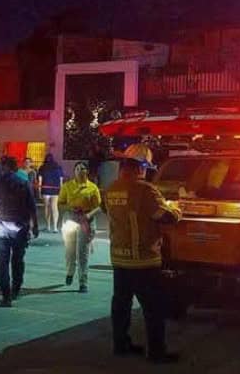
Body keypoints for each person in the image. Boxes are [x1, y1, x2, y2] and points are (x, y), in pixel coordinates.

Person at [104, 154, 182, 363]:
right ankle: (156, 352)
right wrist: (175, 207)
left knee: (121, 305)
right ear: (140, 170)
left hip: (119, 257)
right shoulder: (145, 190)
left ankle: (120, 344)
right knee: (153, 308)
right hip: (143, 258)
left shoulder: (111, 189)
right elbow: (166, 217)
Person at [0, 156, 39, 307]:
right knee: (18, 260)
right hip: (20, 227)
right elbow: (32, 207)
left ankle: (6, 295)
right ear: (15, 168)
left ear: (3, 167)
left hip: (0, 227)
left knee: (2, 262)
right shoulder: (24, 183)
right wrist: (35, 226)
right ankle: (16, 289)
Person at [58, 162, 103, 292]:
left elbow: (99, 207)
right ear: (74, 171)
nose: (79, 170)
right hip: (70, 220)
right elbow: (60, 204)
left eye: (82, 168)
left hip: (86, 221)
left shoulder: (93, 188)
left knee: (83, 253)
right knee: (70, 251)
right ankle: (70, 272)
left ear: (87, 171)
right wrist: (70, 207)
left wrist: (88, 215)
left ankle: (83, 281)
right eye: (77, 168)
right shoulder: (67, 186)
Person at [39, 154, 64, 233]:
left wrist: (39, 191)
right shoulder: (58, 167)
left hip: (45, 189)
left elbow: (40, 180)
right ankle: (55, 227)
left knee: (47, 207)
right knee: (54, 207)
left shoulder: (42, 167)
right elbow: (61, 181)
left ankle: (48, 226)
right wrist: (61, 191)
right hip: (55, 189)